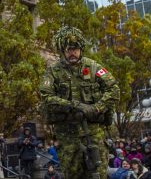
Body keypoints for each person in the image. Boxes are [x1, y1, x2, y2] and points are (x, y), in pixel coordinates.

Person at [40, 26, 120, 179]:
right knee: (73, 174)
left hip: (94, 131)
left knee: (98, 173)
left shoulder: (93, 67)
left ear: (81, 49)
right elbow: (47, 97)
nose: (72, 53)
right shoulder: (53, 72)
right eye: (69, 49)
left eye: (75, 49)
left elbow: (113, 89)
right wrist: (75, 106)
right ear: (62, 50)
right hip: (68, 136)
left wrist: (97, 108)